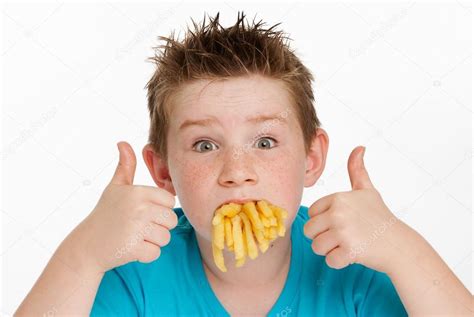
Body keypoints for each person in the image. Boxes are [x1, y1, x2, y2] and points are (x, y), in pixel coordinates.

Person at [15, 11, 472, 316]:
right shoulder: (136, 273)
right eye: (205, 145)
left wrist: (402, 248)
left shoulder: (355, 267)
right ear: (163, 171)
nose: (238, 170)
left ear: (311, 159)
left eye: (266, 141)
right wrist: (83, 255)